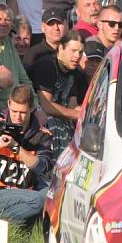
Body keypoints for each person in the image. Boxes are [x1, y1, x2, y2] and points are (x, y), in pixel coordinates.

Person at [0, 84, 53, 224]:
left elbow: (42, 168)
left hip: (24, 193)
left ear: (31, 108)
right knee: (37, 200)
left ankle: (7, 226)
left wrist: (15, 147)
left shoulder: (41, 134)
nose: (17, 117)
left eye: (23, 112)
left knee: (51, 196)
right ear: (8, 104)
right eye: (14, 111)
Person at [28, 31, 87, 159]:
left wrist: (84, 113)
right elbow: (46, 105)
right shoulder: (47, 66)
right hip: (38, 119)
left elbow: (71, 105)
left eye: (80, 52)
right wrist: (78, 114)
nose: (77, 56)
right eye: (73, 51)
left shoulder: (73, 71)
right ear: (61, 48)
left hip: (60, 119)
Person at [0, 3, 32, 111]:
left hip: (18, 109)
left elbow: (24, 79)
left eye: (7, 20)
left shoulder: (8, 42)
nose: (3, 23)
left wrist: (35, 108)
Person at [84, 5, 122, 79]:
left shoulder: (120, 47)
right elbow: (94, 80)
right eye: (112, 24)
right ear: (100, 25)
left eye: (120, 25)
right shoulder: (92, 45)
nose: (117, 28)